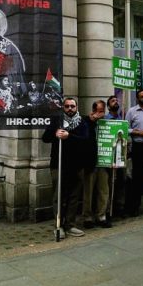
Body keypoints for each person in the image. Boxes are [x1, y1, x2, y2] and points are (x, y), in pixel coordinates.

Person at [42, 97, 91, 238]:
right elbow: (45, 138)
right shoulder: (56, 121)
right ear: (63, 107)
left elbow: (86, 140)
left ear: (76, 108)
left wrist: (69, 136)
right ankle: (58, 225)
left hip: (76, 165)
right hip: (59, 165)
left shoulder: (82, 123)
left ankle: (70, 224)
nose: (70, 108)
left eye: (72, 106)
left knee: (74, 197)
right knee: (59, 197)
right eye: (67, 106)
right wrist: (54, 133)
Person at [81, 100, 111, 229]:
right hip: (90, 162)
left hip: (104, 161)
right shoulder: (86, 122)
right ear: (93, 111)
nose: (101, 114)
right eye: (99, 111)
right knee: (88, 191)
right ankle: (87, 217)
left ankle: (101, 215)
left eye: (103, 111)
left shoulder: (107, 123)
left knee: (103, 190)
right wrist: (92, 119)